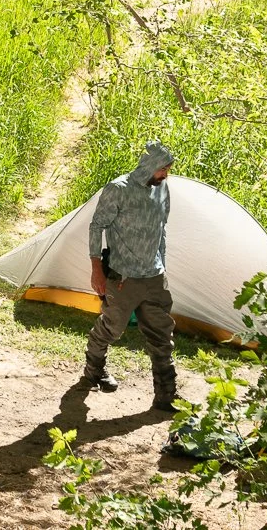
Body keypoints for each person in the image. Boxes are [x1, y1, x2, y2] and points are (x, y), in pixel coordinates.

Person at [78, 140, 179, 412]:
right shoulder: (118, 190)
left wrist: (163, 267)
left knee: (162, 334)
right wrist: (96, 268)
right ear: (149, 165)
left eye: (168, 170)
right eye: (163, 169)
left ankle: (166, 395)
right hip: (123, 276)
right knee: (113, 327)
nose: (165, 175)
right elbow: (96, 226)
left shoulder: (162, 190)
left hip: (154, 277)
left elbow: (162, 230)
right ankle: (94, 369)